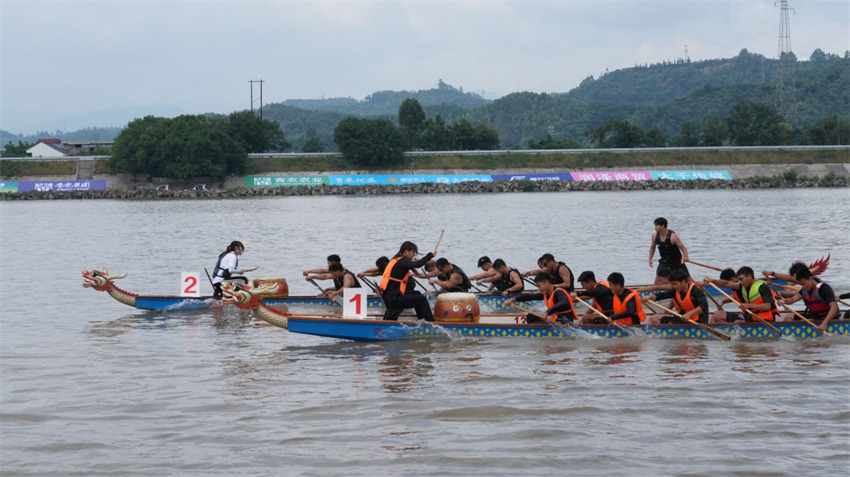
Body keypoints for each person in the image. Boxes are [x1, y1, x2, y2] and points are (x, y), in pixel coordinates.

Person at [379, 241, 436, 321]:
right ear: (406, 251)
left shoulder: (397, 259)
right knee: (421, 299)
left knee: (417, 294)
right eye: (413, 252)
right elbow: (418, 265)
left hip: (391, 295)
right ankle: (430, 322)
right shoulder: (402, 260)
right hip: (394, 298)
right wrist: (430, 255)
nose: (414, 255)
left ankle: (422, 320)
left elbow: (414, 264)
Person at [706, 266, 778, 324]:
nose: (740, 282)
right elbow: (726, 283)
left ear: (749, 276)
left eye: (741, 279)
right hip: (750, 316)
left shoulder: (763, 287)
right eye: (739, 280)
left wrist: (748, 305)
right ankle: (724, 336)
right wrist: (712, 280)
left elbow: (768, 306)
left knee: (738, 322)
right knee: (718, 315)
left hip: (764, 318)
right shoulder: (742, 286)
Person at [780, 268, 839, 332]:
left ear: (810, 279)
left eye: (803, 283)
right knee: (788, 318)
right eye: (801, 284)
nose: (803, 286)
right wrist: (784, 301)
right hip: (816, 316)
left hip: (828, 318)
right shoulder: (804, 290)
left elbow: (834, 307)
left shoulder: (824, 289)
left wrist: (824, 324)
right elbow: (792, 300)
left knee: (802, 321)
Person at [504, 273, 577, 324]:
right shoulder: (546, 294)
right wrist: (513, 299)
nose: (539, 289)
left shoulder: (559, 292)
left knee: (533, 324)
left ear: (547, 283)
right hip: (555, 321)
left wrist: (547, 312)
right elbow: (530, 296)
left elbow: (564, 302)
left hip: (564, 324)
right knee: (531, 316)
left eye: (539, 286)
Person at [648, 217, 690, 282]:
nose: (655, 227)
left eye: (657, 225)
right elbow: (652, 247)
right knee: (658, 280)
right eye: (655, 225)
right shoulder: (654, 236)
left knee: (688, 280)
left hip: (677, 261)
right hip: (664, 261)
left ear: (663, 226)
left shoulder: (673, 236)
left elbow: (682, 247)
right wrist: (650, 258)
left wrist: (686, 256)